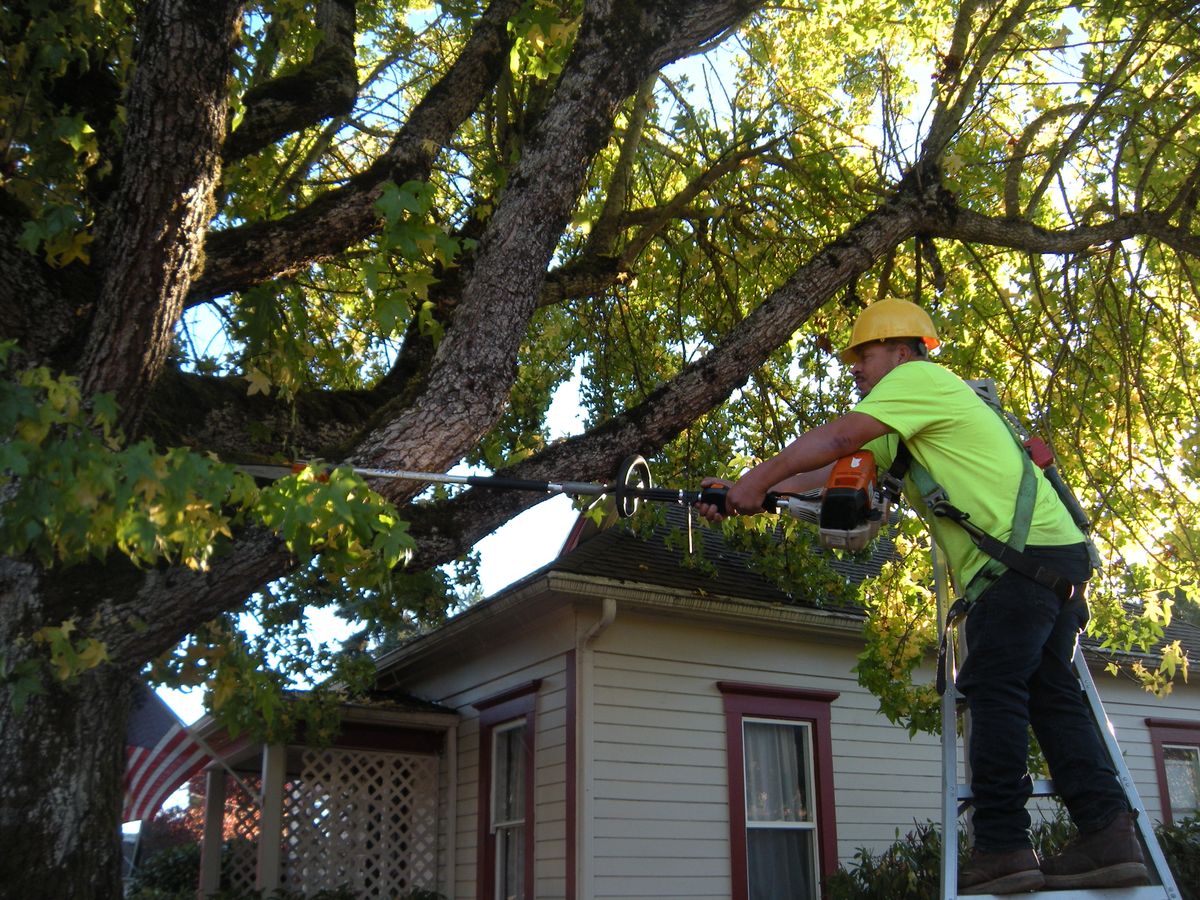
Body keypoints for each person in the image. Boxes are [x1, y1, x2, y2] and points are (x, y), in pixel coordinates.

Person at [696, 298, 1149, 895]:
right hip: (1051, 561)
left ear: (901, 351)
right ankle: (1108, 834)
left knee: (993, 687)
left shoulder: (918, 381)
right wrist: (747, 488)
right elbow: (833, 469)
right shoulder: (904, 424)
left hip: (1017, 567)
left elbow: (839, 434)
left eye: (864, 354)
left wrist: (757, 480)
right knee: (1051, 696)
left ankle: (1004, 846)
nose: (854, 368)